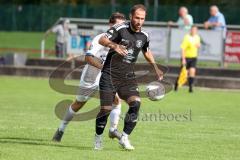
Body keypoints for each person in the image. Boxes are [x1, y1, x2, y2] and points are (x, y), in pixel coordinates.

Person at [94, 4, 163, 150]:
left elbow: (146, 51)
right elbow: (103, 40)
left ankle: (124, 138)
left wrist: (155, 67)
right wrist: (114, 46)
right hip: (110, 74)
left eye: (142, 19)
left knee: (136, 104)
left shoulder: (144, 36)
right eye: (137, 18)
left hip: (127, 77)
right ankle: (98, 139)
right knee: (105, 109)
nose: (139, 21)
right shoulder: (120, 29)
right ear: (131, 16)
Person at [52, 12, 126, 142]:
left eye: (121, 25)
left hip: (106, 76)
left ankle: (113, 130)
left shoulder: (123, 41)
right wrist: (105, 67)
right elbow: (88, 58)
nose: (118, 27)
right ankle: (61, 129)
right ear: (110, 25)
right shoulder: (100, 38)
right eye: (116, 24)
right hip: (91, 76)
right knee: (79, 103)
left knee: (116, 101)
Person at [174, 26, 201, 93]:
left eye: (195, 30)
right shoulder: (187, 37)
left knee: (192, 72)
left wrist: (198, 45)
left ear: (196, 31)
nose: (193, 31)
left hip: (193, 57)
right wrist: (183, 59)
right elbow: (183, 49)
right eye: (192, 30)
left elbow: (198, 45)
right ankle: (176, 85)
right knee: (183, 73)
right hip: (186, 57)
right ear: (190, 30)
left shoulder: (197, 37)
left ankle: (190, 87)